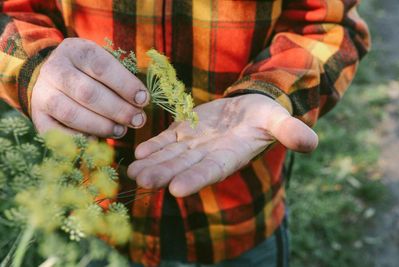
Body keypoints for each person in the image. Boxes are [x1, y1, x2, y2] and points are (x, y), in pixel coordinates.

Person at [0, 1, 370, 266]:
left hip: (240, 215)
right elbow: (16, 14)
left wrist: (268, 91)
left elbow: (328, 26)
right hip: (102, 215)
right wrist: (36, 66)